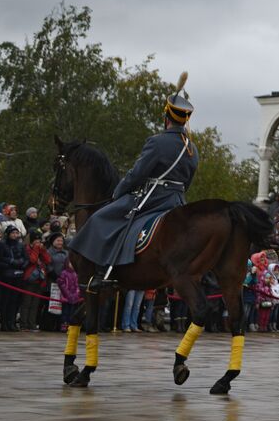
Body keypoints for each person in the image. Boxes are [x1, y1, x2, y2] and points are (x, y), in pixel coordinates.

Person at [68, 82, 198, 288]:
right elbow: (187, 182)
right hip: (178, 201)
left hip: (152, 197)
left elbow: (137, 174)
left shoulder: (157, 142)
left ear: (167, 117)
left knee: (101, 219)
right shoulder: (192, 149)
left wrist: (118, 192)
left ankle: (103, 271)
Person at [21, 232, 52, 331]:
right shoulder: (27, 248)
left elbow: (48, 260)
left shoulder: (40, 249)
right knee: (27, 303)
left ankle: (32, 324)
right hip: (30, 279)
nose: (38, 242)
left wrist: (43, 250)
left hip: (40, 280)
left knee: (35, 304)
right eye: (36, 240)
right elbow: (33, 260)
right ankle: (24, 324)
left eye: (39, 241)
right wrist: (36, 249)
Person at [0, 225, 25, 330]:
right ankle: (4, 323)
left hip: (18, 275)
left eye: (16, 233)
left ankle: (12, 322)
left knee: (15, 300)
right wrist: (10, 262)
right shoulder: (2, 245)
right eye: (13, 233)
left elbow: (25, 258)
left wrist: (21, 263)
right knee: (5, 300)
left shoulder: (20, 245)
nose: (15, 235)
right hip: (6, 276)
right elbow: (0, 259)